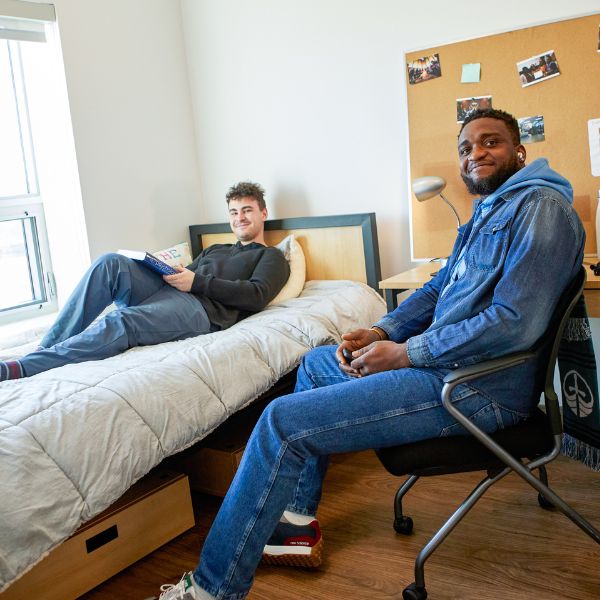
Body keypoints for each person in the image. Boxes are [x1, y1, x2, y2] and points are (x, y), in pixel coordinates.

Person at [157, 107, 585, 600]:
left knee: (281, 422)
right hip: (445, 369)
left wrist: (405, 352)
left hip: (474, 388)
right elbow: (437, 288)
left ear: (519, 151)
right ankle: (295, 522)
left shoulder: (541, 209)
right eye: (466, 148)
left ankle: (211, 590)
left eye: (491, 142)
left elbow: (515, 323)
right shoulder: (489, 212)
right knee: (317, 361)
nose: (476, 154)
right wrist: (381, 328)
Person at [0, 182, 289, 381]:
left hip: (200, 311)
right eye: (234, 212)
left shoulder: (271, 256)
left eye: (247, 210)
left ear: (263, 213)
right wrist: (165, 268)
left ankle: (22, 367)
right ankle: (47, 347)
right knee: (109, 262)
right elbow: (188, 274)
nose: (240, 218)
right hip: (170, 290)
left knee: (120, 321)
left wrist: (196, 282)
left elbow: (256, 295)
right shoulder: (215, 249)